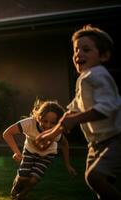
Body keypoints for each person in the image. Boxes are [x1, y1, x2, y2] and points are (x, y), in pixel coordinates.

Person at [36, 25, 121, 199]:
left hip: (115, 139)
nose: (78, 54)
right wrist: (51, 134)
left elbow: (107, 107)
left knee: (95, 177)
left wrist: (76, 120)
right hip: (96, 143)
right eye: (76, 50)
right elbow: (72, 112)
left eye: (86, 49)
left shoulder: (98, 75)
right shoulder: (83, 78)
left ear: (104, 56)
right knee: (100, 184)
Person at [3, 100, 77, 200]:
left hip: (46, 156)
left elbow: (64, 144)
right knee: (23, 178)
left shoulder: (56, 132)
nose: (48, 126)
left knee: (33, 180)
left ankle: (22, 195)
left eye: (53, 123)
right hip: (29, 152)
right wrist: (16, 152)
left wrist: (68, 165)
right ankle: (16, 187)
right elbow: (7, 133)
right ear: (38, 117)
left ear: (58, 122)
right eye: (45, 121)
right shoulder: (29, 123)